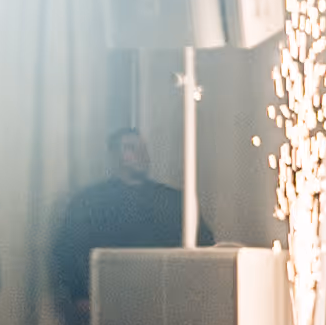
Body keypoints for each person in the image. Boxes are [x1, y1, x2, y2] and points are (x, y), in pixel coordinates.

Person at [50, 128, 209, 312]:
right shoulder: (90, 201)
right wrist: (79, 295)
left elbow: (204, 244)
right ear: (114, 156)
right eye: (131, 148)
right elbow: (67, 249)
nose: (141, 154)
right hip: (108, 302)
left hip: (165, 301)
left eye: (143, 148)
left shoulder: (173, 200)